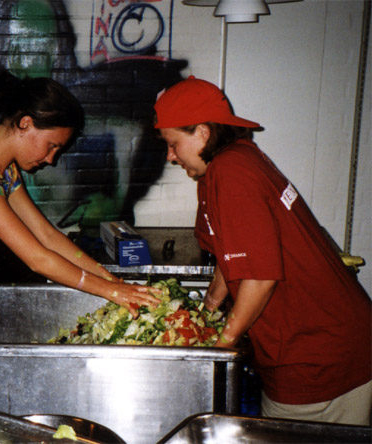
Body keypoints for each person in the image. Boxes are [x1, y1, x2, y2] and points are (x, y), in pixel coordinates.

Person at [153, 75, 371, 425]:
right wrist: (207, 311)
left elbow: (259, 276)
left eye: (173, 144)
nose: (170, 156)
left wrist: (220, 345)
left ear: (203, 133)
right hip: (307, 345)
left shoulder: (232, 172)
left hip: (320, 355)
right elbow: (232, 256)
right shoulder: (221, 169)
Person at [0, 70, 158, 317]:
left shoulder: (3, 170)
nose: (51, 159)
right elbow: (37, 258)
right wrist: (111, 292)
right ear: (25, 124)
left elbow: (46, 235)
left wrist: (112, 281)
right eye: (52, 145)